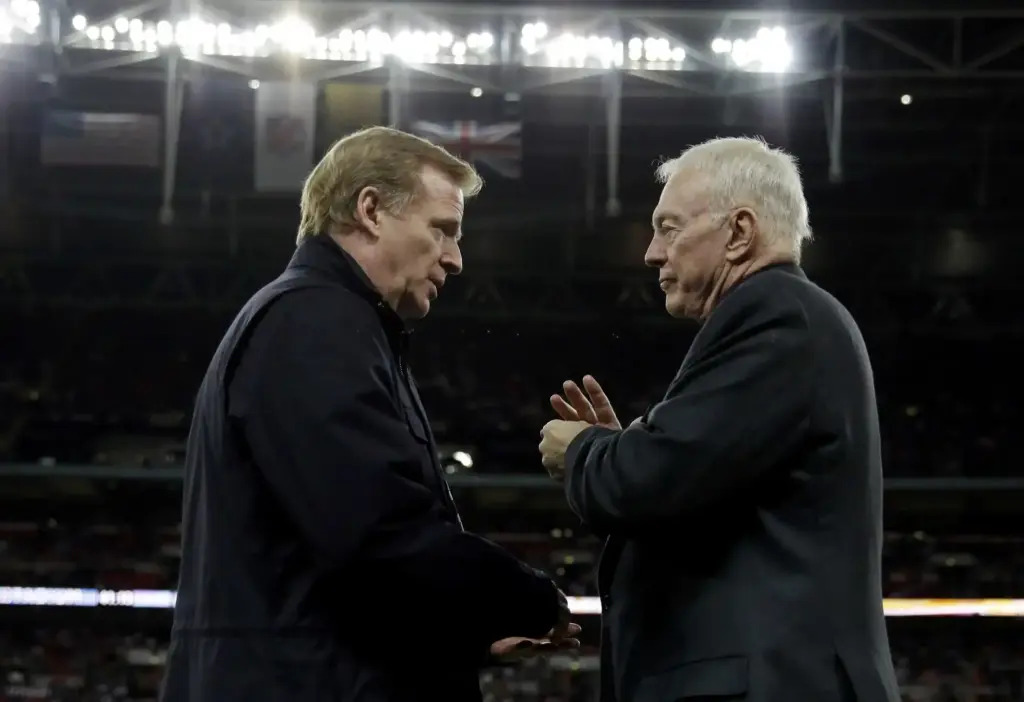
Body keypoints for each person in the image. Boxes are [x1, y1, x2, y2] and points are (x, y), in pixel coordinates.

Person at [162, 126, 577, 702]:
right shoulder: (315, 321)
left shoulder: (324, 320)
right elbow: (377, 533)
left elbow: (332, 568)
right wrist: (525, 597)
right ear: (372, 210)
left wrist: (462, 629)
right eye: (443, 230)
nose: (456, 259)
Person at [539, 137, 900, 702]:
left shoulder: (775, 316)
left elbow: (652, 477)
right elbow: (691, 490)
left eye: (669, 227)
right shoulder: (789, 319)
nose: (651, 252)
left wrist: (583, 451)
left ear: (739, 233)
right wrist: (615, 451)